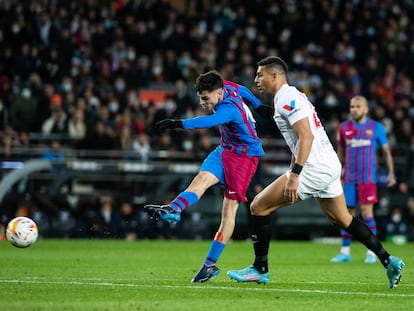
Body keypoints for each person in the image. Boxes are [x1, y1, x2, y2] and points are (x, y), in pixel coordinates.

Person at [226, 56, 404, 289]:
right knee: (342, 219)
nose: (256, 79)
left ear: (274, 75)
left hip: (314, 167)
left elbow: (306, 135)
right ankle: (389, 261)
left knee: (258, 206)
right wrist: (292, 169)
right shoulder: (291, 95)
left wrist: (295, 174)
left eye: (260, 74)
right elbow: (298, 139)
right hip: (328, 165)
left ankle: (260, 269)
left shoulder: (287, 97)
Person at [144, 70, 265, 283]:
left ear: (219, 94)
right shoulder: (227, 86)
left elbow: (208, 122)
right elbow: (244, 89)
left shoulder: (229, 109)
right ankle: (174, 208)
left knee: (229, 211)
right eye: (200, 98)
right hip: (225, 150)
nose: (202, 102)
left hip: (245, 158)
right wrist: (257, 104)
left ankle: (209, 264)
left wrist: (177, 123)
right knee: (200, 180)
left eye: (206, 99)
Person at [330, 95, 396, 264]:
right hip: (349, 179)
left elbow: (386, 152)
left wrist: (390, 173)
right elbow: (340, 153)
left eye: (358, 106)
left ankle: (371, 252)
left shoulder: (376, 127)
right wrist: (338, 174)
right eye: (352, 106)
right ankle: (345, 251)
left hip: (367, 179)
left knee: (367, 214)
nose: (354, 109)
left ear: (366, 109)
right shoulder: (344, 128)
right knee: (347, 215)